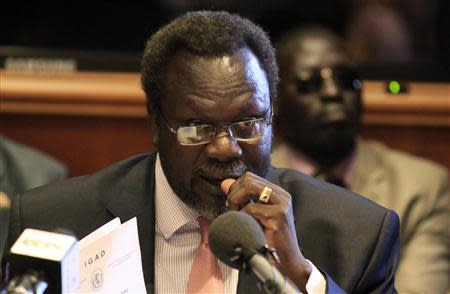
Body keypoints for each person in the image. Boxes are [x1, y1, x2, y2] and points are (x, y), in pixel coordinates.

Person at [3, 12, 400, 293]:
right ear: (156, 123)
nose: (226, 148)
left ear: (272, 117)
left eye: (246, 125)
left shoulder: (356, 235)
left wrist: (298, 277)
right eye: (198, 128)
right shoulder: (53, 222)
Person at [271, 25, 449, 294]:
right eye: (309, 82)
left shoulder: (422, 187)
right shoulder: (255, 184)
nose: (333, 92)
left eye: (346, 79)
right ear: (276, 100)